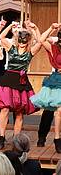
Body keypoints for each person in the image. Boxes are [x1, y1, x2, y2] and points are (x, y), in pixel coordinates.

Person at [0, 21, 42, 149]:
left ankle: (16, 139)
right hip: (8, 79)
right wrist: (10, 26)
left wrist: (35, 28)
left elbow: (41, 41)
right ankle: (2, 137)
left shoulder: (30, 51)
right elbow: (2, 37)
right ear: (17, 39)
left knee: (19, 112)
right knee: (4, 109)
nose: (22, 42)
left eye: (24, 40)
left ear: (28, 40)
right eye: (20, 40)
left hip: (21, 82)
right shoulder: (11, 48)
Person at [30, 24, 61, 153]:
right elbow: (42, 40)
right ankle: (42, 136)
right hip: (56, 80)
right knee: (49, 110)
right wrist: (51, 28)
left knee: (59, 111)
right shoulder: (54, 47)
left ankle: (57, 138)